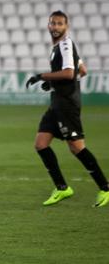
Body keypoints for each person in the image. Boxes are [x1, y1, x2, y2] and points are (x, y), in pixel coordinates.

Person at [26, 11, 109, 207]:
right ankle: (62, 188)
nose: (55, 27)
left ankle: (105, 188)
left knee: (77, 147)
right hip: (57, 102)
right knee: (41, 143)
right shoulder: (59, 46)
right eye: (52, 23)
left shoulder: (65, 45)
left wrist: (42, 76)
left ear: (66, 26)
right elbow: (82, 71)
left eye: (59, 24)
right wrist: (55, 84)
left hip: (66, 105)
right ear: (48, 26)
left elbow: (69, 72)